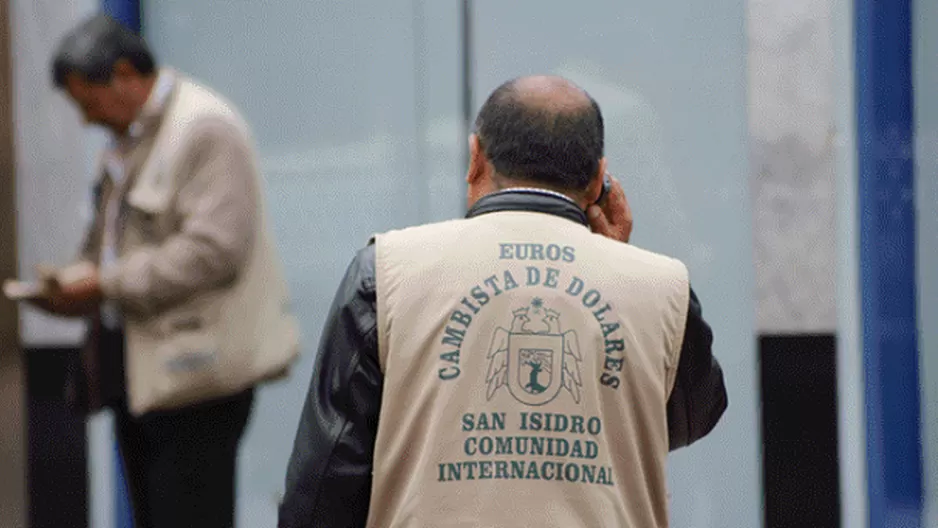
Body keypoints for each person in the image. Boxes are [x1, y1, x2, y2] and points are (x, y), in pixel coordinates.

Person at [278, 75, 727, 528]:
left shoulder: (386, 272)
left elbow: (326, 480)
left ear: (475, 158)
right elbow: (686, 418)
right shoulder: (659, 286)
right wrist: (618, 267)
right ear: (598, 181)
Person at [31, 13, 299, 528]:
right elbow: (110, 243)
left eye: (90, 103)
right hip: (140, 374)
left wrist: (104, 283)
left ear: (126, 74)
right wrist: (69, 285)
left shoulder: (202, 128)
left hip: (197, 378)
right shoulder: (130, 138)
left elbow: (214, 250)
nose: (87, 120)